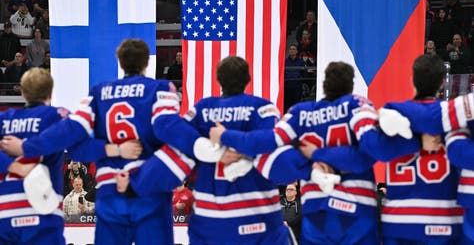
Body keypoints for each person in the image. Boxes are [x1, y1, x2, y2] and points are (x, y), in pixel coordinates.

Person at [1, 39, 212, 245]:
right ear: (147, 63)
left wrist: (110, 149)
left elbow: (74, 136)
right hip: (150, 190)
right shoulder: (160, 88)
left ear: (120, 62)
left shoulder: (99, 92)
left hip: (109, 191)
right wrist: (203, 145)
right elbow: (169, 129)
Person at [209, 62, 419, 244]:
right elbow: (370, 151)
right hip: (356, 210)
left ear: (324, 84)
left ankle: (256, 161)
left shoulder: (301, 112)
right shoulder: (357, 105)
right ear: (351, 86)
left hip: (316, 210)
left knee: (270, 155)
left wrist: (228, 137)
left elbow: (269, 141)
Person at [117, 56, 306, 245]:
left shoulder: (202, 111)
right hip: (258, 222)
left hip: (210, 225)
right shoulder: (262, 108)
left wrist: (136, 184)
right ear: (248, 79)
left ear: (219, 80)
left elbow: (174, 156)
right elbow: (280, 161)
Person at [359, 55, 464, 244]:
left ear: (412, 78)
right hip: (444, 220)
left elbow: (374, 148)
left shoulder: (394, 110)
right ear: (442, 83)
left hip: (400, 221)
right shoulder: (453, 114)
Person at [0, 67, 67, 244]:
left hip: (5, 210)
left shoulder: (4, 118)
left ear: (22, 92)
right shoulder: (56, 116)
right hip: (43, 209)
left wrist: (12, 165)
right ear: (51, 92)